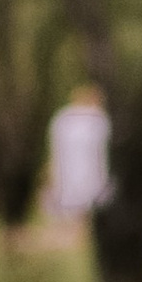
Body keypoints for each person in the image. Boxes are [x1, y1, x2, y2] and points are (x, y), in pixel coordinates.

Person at [46, 81, 112, 231]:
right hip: (81, 167)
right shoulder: (94, 120)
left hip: (75, 167)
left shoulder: (63, 119)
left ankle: (76, 226)